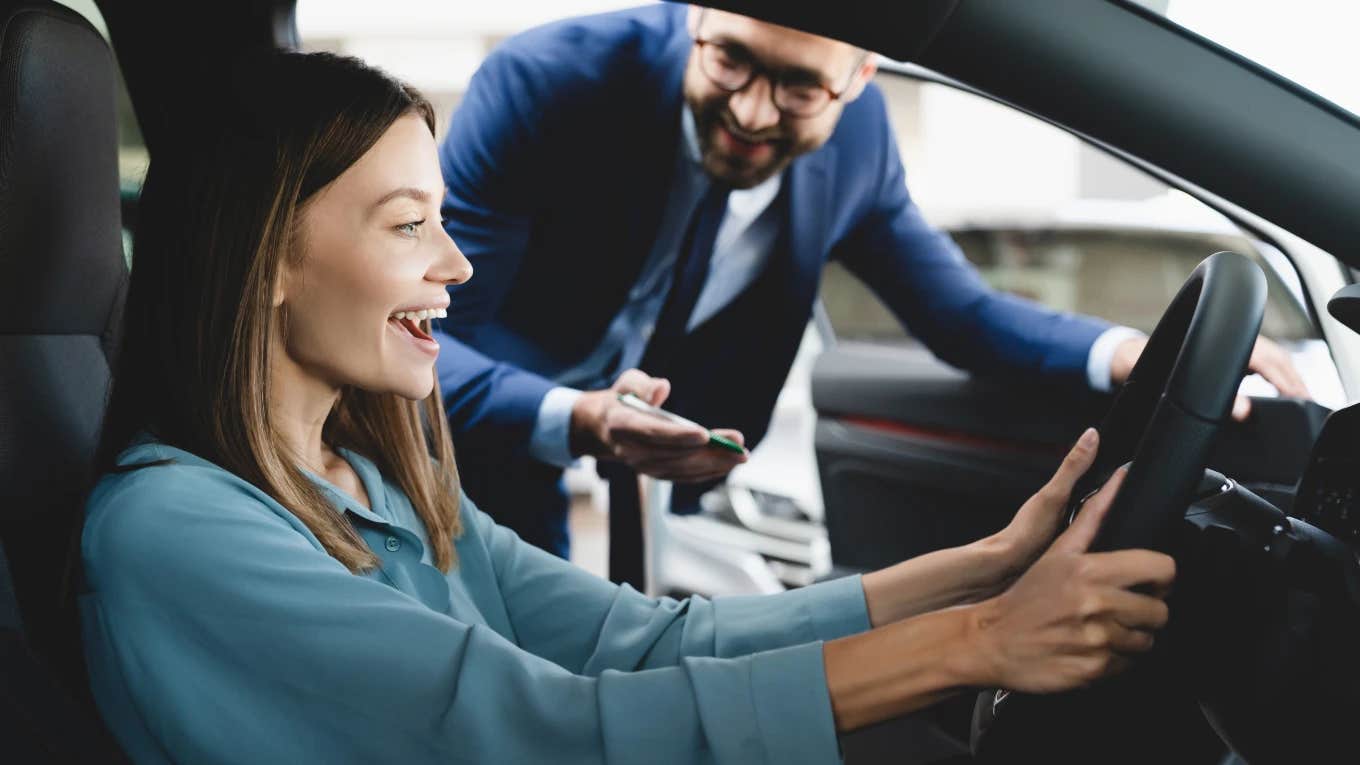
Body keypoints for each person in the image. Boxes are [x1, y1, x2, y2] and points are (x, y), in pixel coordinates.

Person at [81, 50, 1176, 764]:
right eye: (408, 225)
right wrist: (978, 644)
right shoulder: (174, 530)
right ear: (267, 256)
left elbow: (637, 645)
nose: (459, 267)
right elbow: (551, 732)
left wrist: (985, 565)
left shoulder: (375, 481)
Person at [432, 3, 1309, 565]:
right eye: (731, 59)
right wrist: (569, 417)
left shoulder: (859, 147)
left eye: (799, 87)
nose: (749, 111)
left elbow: (959, 313)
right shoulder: (552, 80)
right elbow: (432, 331)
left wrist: (1133, 353)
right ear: (694, 17)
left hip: (636, 447)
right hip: (451, 434)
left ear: (860, 80)